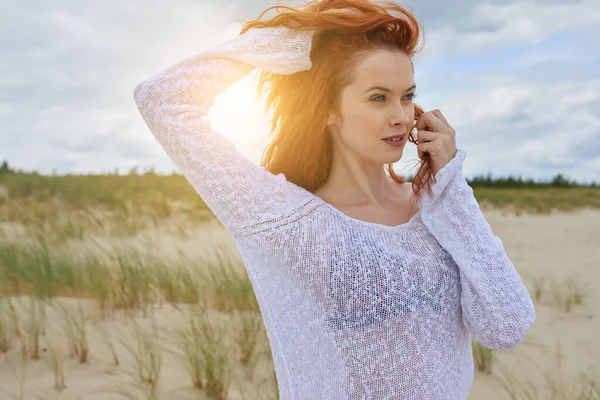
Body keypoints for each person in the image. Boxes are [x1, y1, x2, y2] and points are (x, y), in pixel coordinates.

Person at [133, 0, 536, 398]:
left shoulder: (436, 206)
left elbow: (506, 326)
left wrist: (448, 184)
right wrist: (297, 39)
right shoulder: (285, 218)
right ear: (327, 108)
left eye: (407, 96)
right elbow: (162, 99)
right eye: (379, 98)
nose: (401, 115)